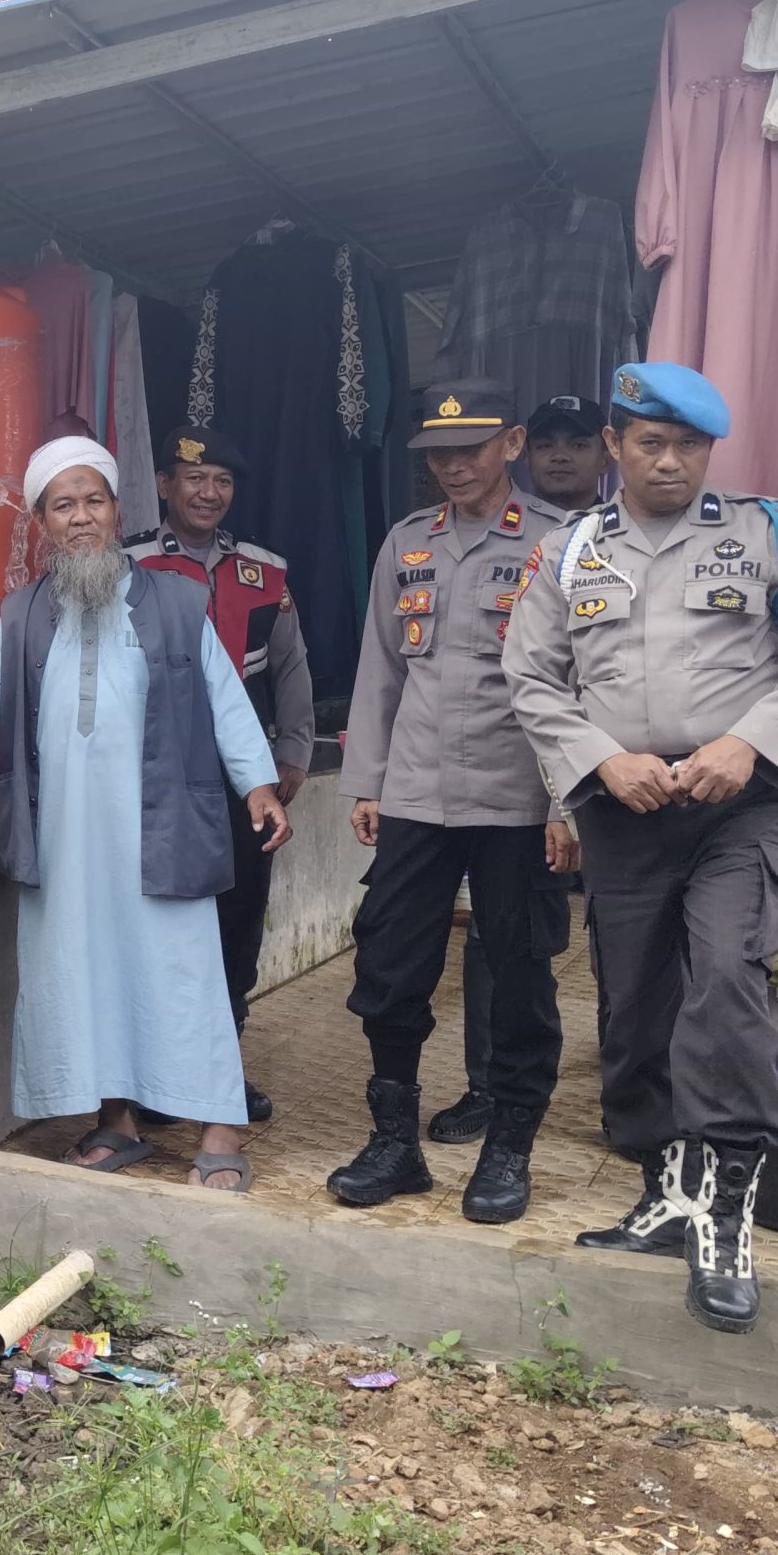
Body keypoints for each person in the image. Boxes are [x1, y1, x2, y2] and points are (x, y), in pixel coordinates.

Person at [504, 363, 778, 1335]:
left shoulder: (767, 532)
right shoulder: (568, 552)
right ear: (614, 446)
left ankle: (727, 1217)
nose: (670, 462)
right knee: (636, 1004)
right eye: (651, 443)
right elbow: (529, 677)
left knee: (727, 977)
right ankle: (668, 1196)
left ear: (709, 450)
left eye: (689, 446)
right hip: (623, 807)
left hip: (739, 802)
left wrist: (749, 744)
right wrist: (598, 760)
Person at [0, 437, 291, 1191]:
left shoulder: (178, 601)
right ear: (41, 523)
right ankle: (117, 1123)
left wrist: (258, 783)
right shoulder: (23, 612)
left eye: (93, 501)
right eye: (63, 505)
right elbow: (7, 711)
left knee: (183, 970)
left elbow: (225, 697)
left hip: (159, 825)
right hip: (66, 835)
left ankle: (220, 1126)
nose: (80, 517)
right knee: (86, 970)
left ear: (118, 510)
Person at [330, 381, 574, 1225]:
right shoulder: (408, 542)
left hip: (518, 799)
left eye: (469, 448)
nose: (453, 465)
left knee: (519, 976)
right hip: (417, 794)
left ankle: (509, 1147)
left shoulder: (558, 543)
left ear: (512, 443)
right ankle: (395, 1143)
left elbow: (578, 679)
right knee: (390, 969)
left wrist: (567, 802)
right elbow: (381, 667)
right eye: (438, 453)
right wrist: (368, 780)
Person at [125, 423, 316, 1124]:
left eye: (223, 481)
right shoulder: (129, 564)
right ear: (165, 485)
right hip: (158, 779)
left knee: (238, 925)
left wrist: (293, 750)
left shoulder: (265, 570)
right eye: (194, 478)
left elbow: (291, 667)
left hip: (244, 785)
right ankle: (154, 1077)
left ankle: (222, 1068)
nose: (209, 492)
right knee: (163, 926)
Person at [441, 392, 614, 1141]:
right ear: (524, 450)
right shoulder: (501, 539)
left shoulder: (620, 538)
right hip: (518, 783)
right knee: (503, 938)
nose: (561, 455)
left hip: (618, 776)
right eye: (548, 443)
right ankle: (491, 1089)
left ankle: (628, 1085)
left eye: (578, 441)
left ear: (606, 451)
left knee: (622, 933)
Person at [525, 393, 612, 509]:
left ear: (605, 461)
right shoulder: (505, 519)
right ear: (527, 458)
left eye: (578, 445)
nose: (559, 456)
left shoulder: (624, 521)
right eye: (545, 445)